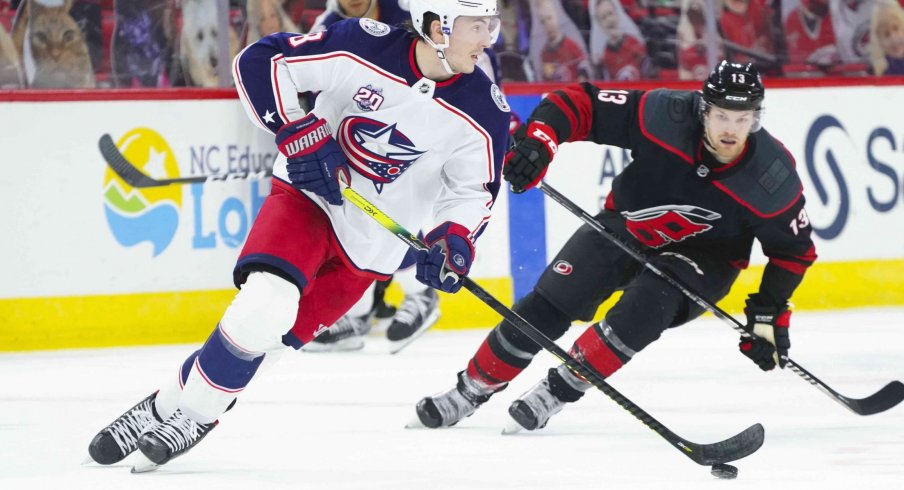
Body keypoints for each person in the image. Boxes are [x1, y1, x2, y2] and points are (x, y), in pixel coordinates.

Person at [87, 0, 509, 470]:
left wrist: (453, 238)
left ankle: (164, 406)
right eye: (478, 26)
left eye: (491, 25)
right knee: (264, 304)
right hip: (308, 200)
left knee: (268, 344)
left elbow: (473, 191)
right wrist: (295, 128)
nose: (489, 38)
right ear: (436, 26)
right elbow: (259, 61)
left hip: (372, 249)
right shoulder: (362, 44)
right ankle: (198, 416)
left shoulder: (482, 107)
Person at [414, 60, 817, 432]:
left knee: (647, 302)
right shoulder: (666, 115)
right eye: (722, 116)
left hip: (706, 259)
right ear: (703, 110)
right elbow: (581, 104)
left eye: (742, 119)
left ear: (756, 118)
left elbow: (794, 252)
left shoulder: (772, 176)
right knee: (550, 303)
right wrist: (542, 139)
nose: (731, 129)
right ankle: (468, 391)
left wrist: (770, 310)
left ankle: (557, 391)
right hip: (627, 225)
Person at [305, 0, 503, 354]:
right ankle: (358, 312)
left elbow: (477, 67)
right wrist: (308, 137)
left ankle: (418, 292)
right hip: (360, 131)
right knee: (349, 221)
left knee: (398, 211)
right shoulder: (332, 23)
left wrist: (502, 126)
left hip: (427, 131)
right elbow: (307, 83)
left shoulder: (416, 15)